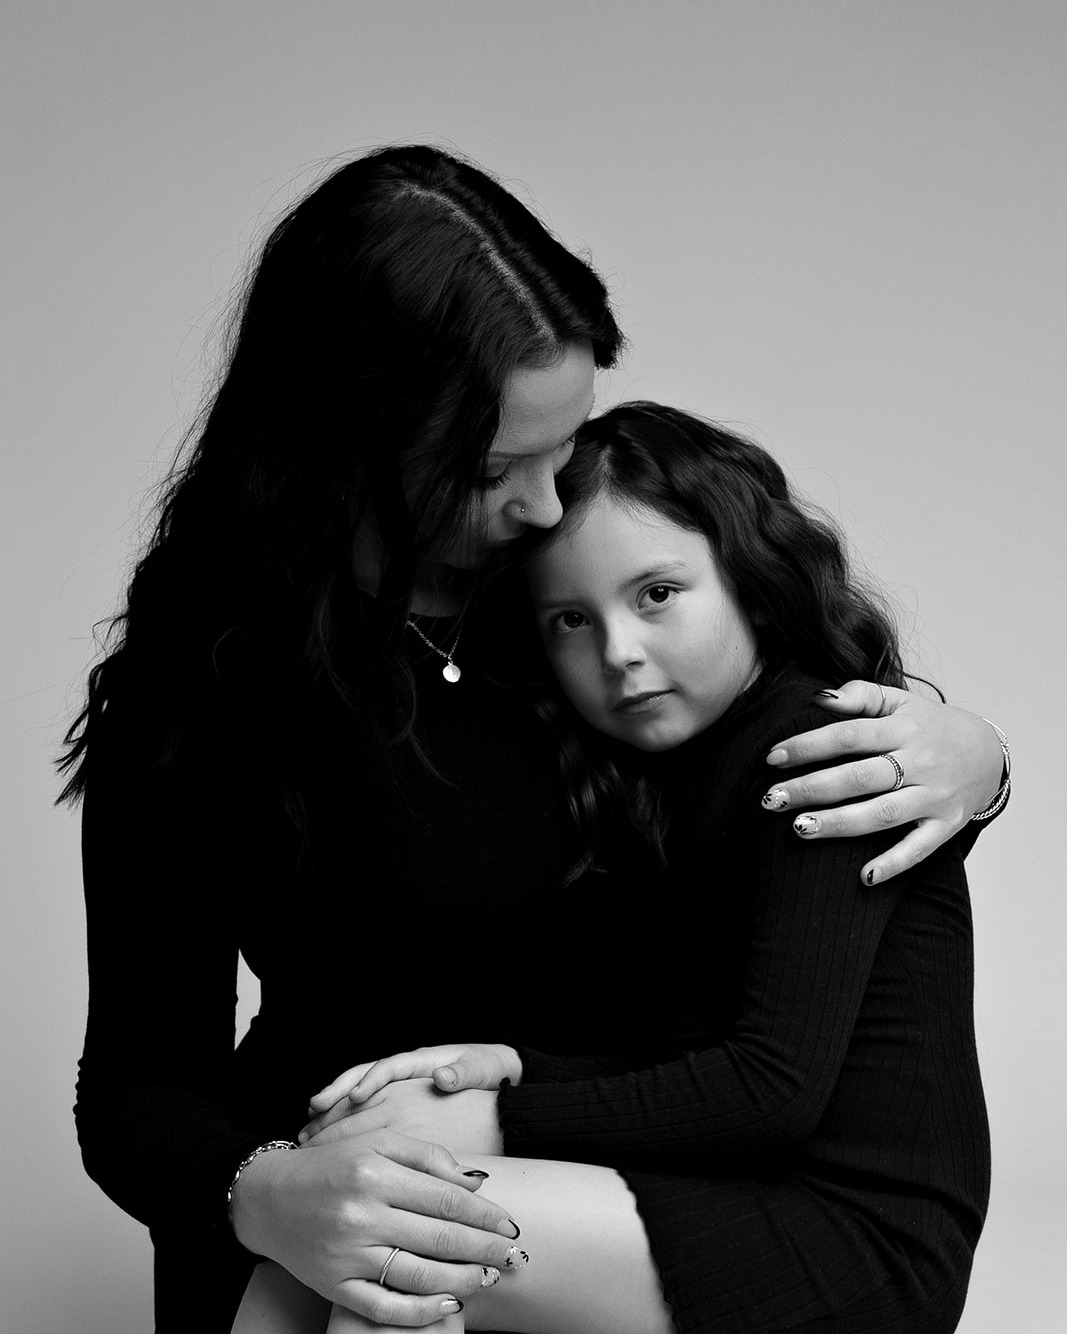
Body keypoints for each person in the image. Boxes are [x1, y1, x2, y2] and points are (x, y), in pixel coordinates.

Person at [57, 146, 1007, 1333]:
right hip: (306, 1193)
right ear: (347, 442)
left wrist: (969, 757)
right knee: (376, 1273)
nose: (549, 506)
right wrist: (269, 1194)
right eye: (498, 466)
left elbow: (782, 770)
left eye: (562, 449)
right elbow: (139, 1087)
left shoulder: (569, 601)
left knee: (418, 1265)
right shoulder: (201, 685)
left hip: (624, 1191)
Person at [259, 401, 990, 1334]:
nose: (619, 653)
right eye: (571, 619)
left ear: (748, 573)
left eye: (656, 594)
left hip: (852, 1230)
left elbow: (768, 1090)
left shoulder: (821, 749)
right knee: (334, 1248)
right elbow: (678, 1046)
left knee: (404, 1239)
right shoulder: (666, 778)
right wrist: (507, 1068)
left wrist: (500, 1115)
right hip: (723, 1187)